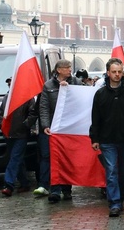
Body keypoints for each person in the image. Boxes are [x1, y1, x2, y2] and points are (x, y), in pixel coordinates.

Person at [90, 58, 124, 217]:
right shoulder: (100, 93)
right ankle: (114, 202)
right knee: (112, 170)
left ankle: (120, 199)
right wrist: (95, 138)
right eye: (114, 72)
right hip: (107, 140)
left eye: (119, 72)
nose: (117, 74)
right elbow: (95, 117)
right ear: (108, 73)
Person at [38, 59, 82, 202]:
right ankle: (55, 190)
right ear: (59, 70)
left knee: (67, 159)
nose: (70, 70)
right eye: (67, 67)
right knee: (54, 158)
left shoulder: (76, 82)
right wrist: (45, 125)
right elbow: (44, 107)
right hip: (54, 128)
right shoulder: (48, 85)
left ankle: (66, 189)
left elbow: (83, 100)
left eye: (70, 67)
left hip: (69, 128)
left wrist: (69, 89)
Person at [0, 78, 36, 197]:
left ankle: (8, 184)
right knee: (18, 159)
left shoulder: (27, 98)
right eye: (8, 83)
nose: (9, 85)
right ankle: (24, 183)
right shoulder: (6, 97)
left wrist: (25, 125)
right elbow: (1, 114)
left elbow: (32, 114)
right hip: (8, 134)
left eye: (11, 82)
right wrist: (2, 125)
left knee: (14, 158)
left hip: (21, 135)